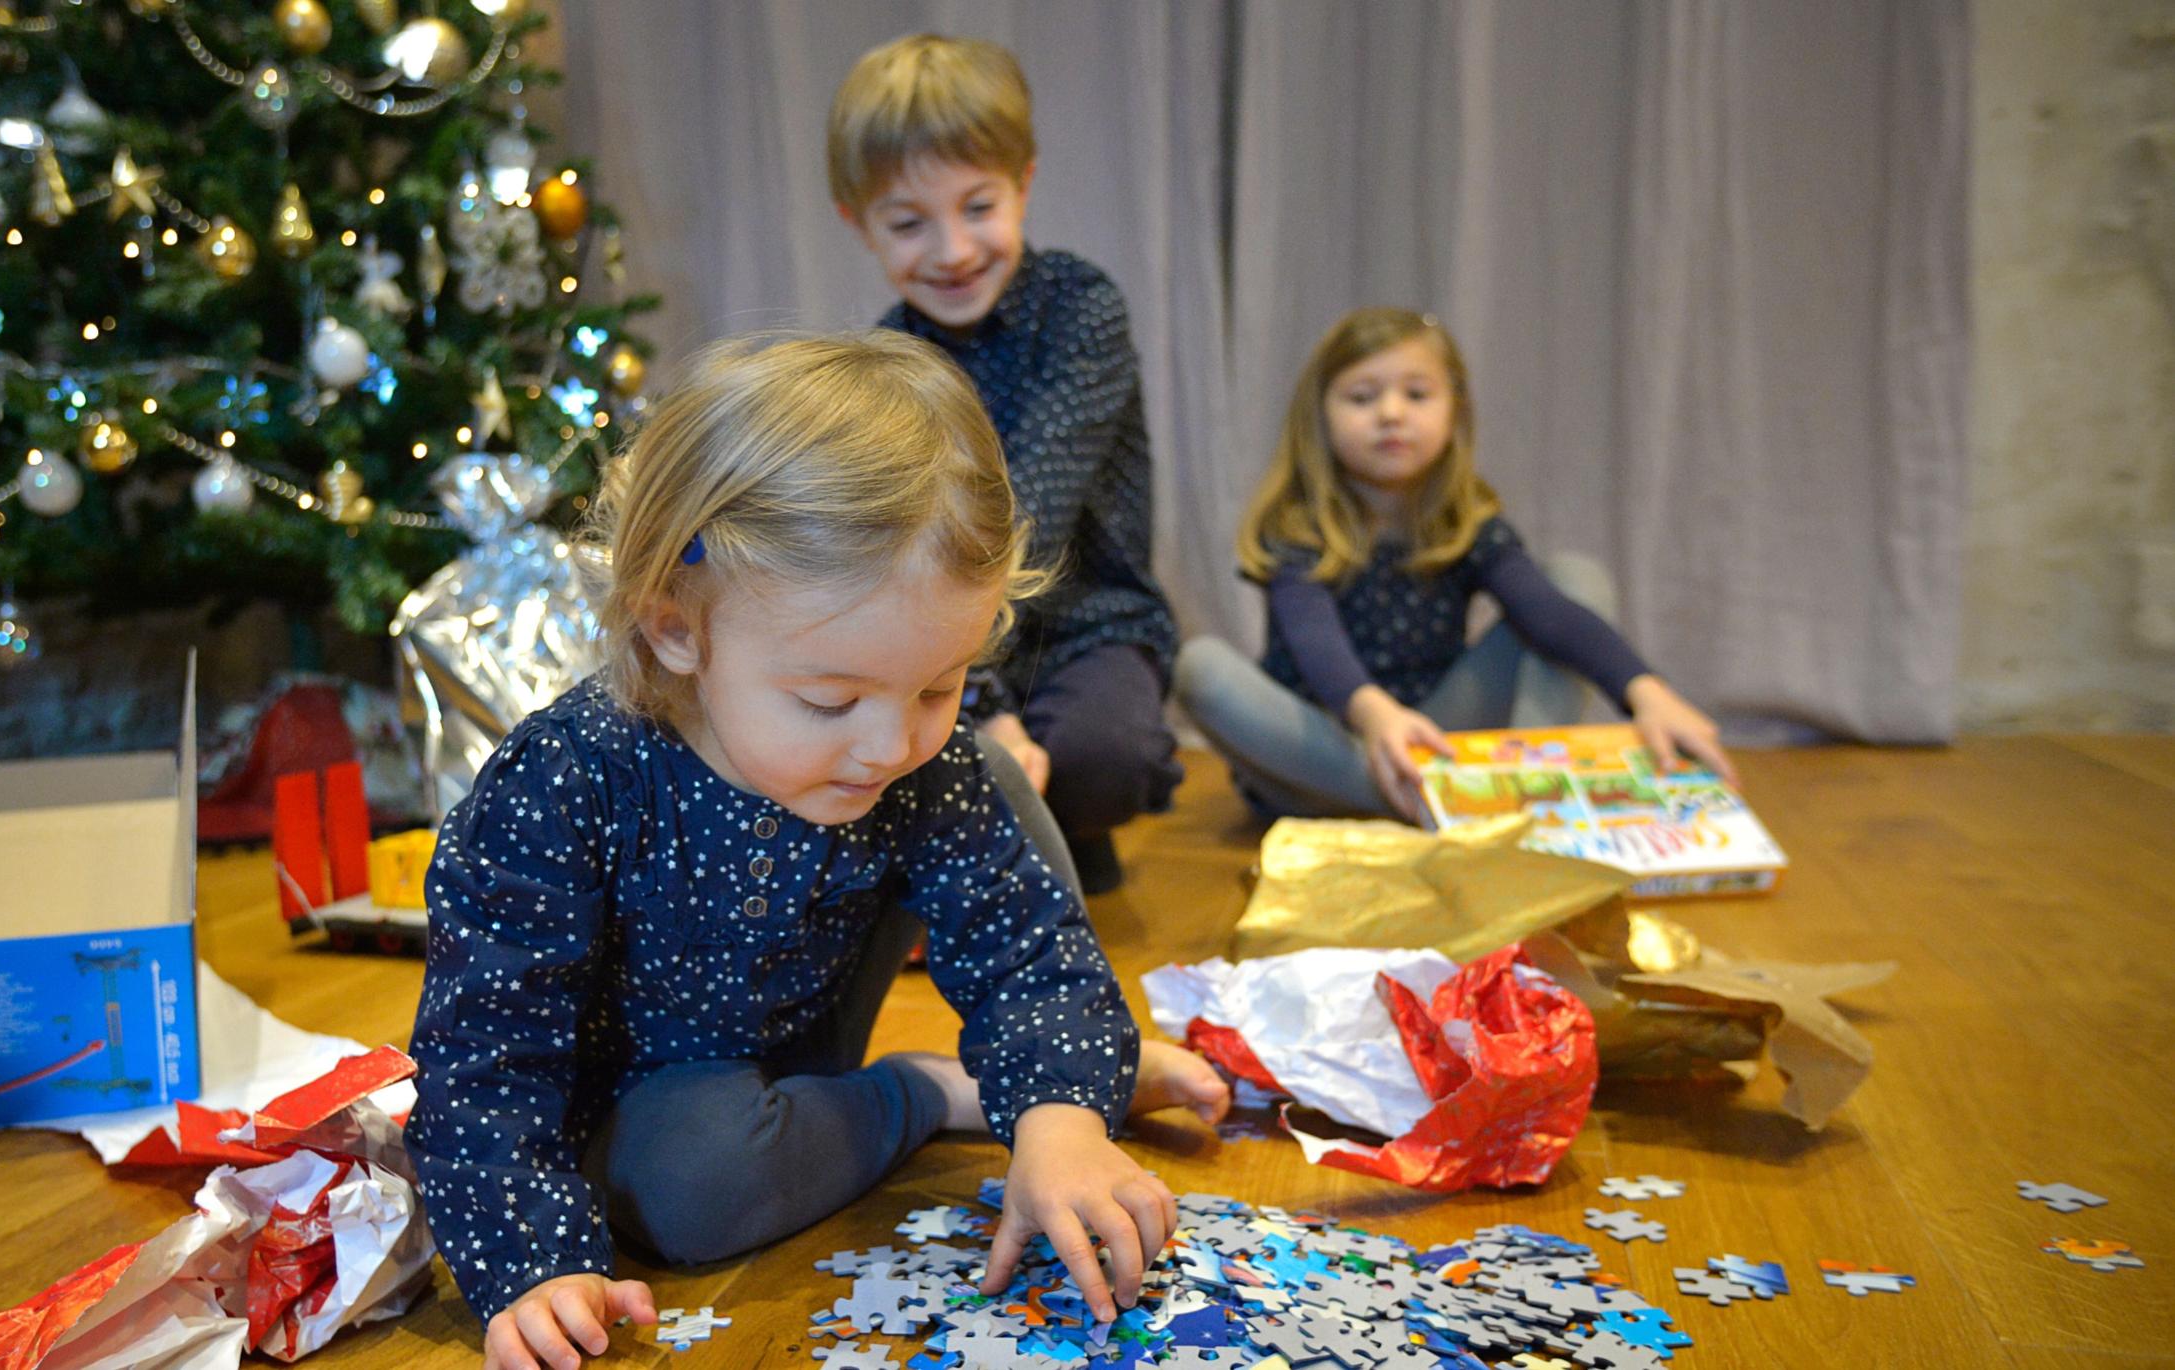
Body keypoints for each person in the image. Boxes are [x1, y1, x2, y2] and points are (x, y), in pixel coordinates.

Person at [407, 331, 1227, 1370]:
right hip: (647, 1102)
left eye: (938, 681)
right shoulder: (562, 778)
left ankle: (1051, 1085)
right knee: (689, 1184)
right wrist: (531, 1266)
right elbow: (485, 1055)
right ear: (674, 630)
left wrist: (1063, 1122)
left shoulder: (906, 756)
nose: (888, 740)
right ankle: (938, 1090)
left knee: (983, 773)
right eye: (829, 699)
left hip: (806, 1042)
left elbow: (1026, 946)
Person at [831, 33, 1181, 894]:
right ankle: (987, 837)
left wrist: (992, 707)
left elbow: (1027, 509)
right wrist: (977, 704)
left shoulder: (1081, 309)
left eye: (977, 207)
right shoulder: (885, 358)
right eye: (910, 223)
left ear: (1022, 184)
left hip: (1081, 621)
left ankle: (1051, 824)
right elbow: (894, 548)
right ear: (861, 226)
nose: (951, 250)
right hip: (935, 634)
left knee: (1104, 753)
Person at [1176, 307, 1736, 823]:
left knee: (1577, 579)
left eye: (1416, 394)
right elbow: (1314, 640)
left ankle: (1527, 788)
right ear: (1319, 416)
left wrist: (1645, 690)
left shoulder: (1466, 523)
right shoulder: (1297, 529)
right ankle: (1436, 805)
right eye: (1363, 397)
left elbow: (1545, 612)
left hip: (1441, 739)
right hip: (1329, 748)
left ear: (1455, 411)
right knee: (1201, 666)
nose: (1391, 414)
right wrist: (1374, 717)